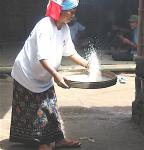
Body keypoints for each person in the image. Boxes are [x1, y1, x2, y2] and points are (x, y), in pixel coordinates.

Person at [9, 0, 89, 150]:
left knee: (51, 109)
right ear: (59, 10)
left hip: (44, 76)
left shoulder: (64, 28)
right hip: (27, 75)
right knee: (36, 110)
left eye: (74, 12)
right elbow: (42, 58)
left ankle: (59, 140)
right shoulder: (44, 26)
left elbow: (70, 52)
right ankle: (41, 143)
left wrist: (88, 64)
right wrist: (56, 75)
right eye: (71, 12)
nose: (73, 15)